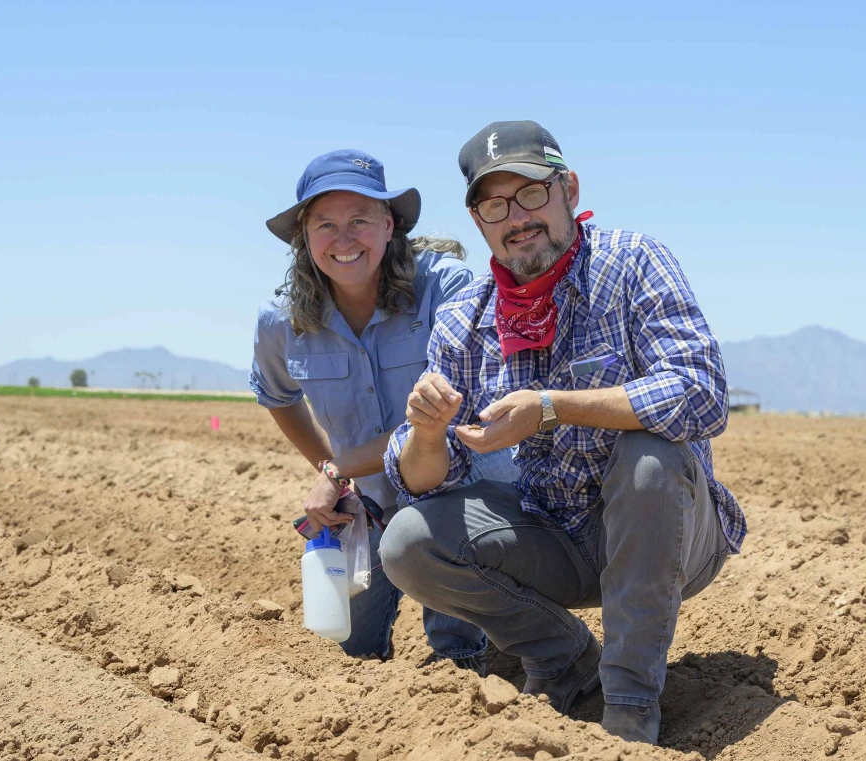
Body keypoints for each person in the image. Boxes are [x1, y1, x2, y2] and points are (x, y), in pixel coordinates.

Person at [378, 122, 747, 745]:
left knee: (649, 456)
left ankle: (629, 708)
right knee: (408, 543)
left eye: (530, 194)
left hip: (668, 534)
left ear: (568, 190)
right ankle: (566, 657)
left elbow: (701, 393)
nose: (516, 217)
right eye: (494, 205)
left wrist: (554, 407)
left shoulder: (632, 264)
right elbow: (417, 479)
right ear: (478, 222)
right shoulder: (466, 320)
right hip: (556, 537)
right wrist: (427, 432)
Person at [249, 148, 517, 673]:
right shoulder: (280, 323)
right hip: (372, 504)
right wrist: (340, 476)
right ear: (304, 234)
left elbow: (448, 419)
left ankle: (471, 661)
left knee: (456, 662)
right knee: (348, 656)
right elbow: (277, 397)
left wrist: (338, 468)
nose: (343, 240)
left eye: (360, 221)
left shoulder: (446, 290)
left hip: (459, 492)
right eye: (325, 224)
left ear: (389, 224)